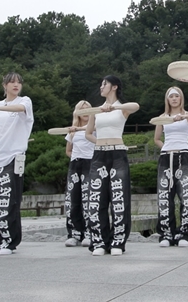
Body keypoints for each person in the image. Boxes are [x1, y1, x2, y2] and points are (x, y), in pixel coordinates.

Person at [0, 72, 34, 256]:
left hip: (12, 157)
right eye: (11, 82)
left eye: (19, 82)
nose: (15, 84)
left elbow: (18, 109)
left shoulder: (25, 102)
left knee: (8, 201)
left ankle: (8, 241)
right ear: (4, 85)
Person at [84, 75, 139, 256]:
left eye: (104, 84)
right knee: (96, 200)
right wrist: (100, 141)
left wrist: (114, 107)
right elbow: (88, 133)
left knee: (119, 199)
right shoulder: (96, 110)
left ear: (114, 87)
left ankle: (117, 241)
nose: (101, 87)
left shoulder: (122, 109)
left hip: (117, 154)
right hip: (99, 154)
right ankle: (99, 242)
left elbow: (135, 106)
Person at [152, 86, 188, 248]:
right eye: (171, 96)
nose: (174, 99)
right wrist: (165, 148)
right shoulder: (163, 117)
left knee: (186, 196)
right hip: (166, 157)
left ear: (181, 98)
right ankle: (166, 234)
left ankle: (184, 233)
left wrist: (184, 115)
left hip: (183, 155)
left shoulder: (187, 116)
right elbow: (156, 138)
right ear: (167, 100)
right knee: (164, 198)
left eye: (177, 96)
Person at [63, 100, 96, 248]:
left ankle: (90, 232)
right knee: (72, 199)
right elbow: (68, 150)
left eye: (87, 109)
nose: (85, 112)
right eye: (82, 110)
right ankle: (74, 233)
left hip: (91, 163)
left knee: (89, 199)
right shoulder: (73, 130)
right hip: (75, 164)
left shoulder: (96, 128)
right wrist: (76, 158)